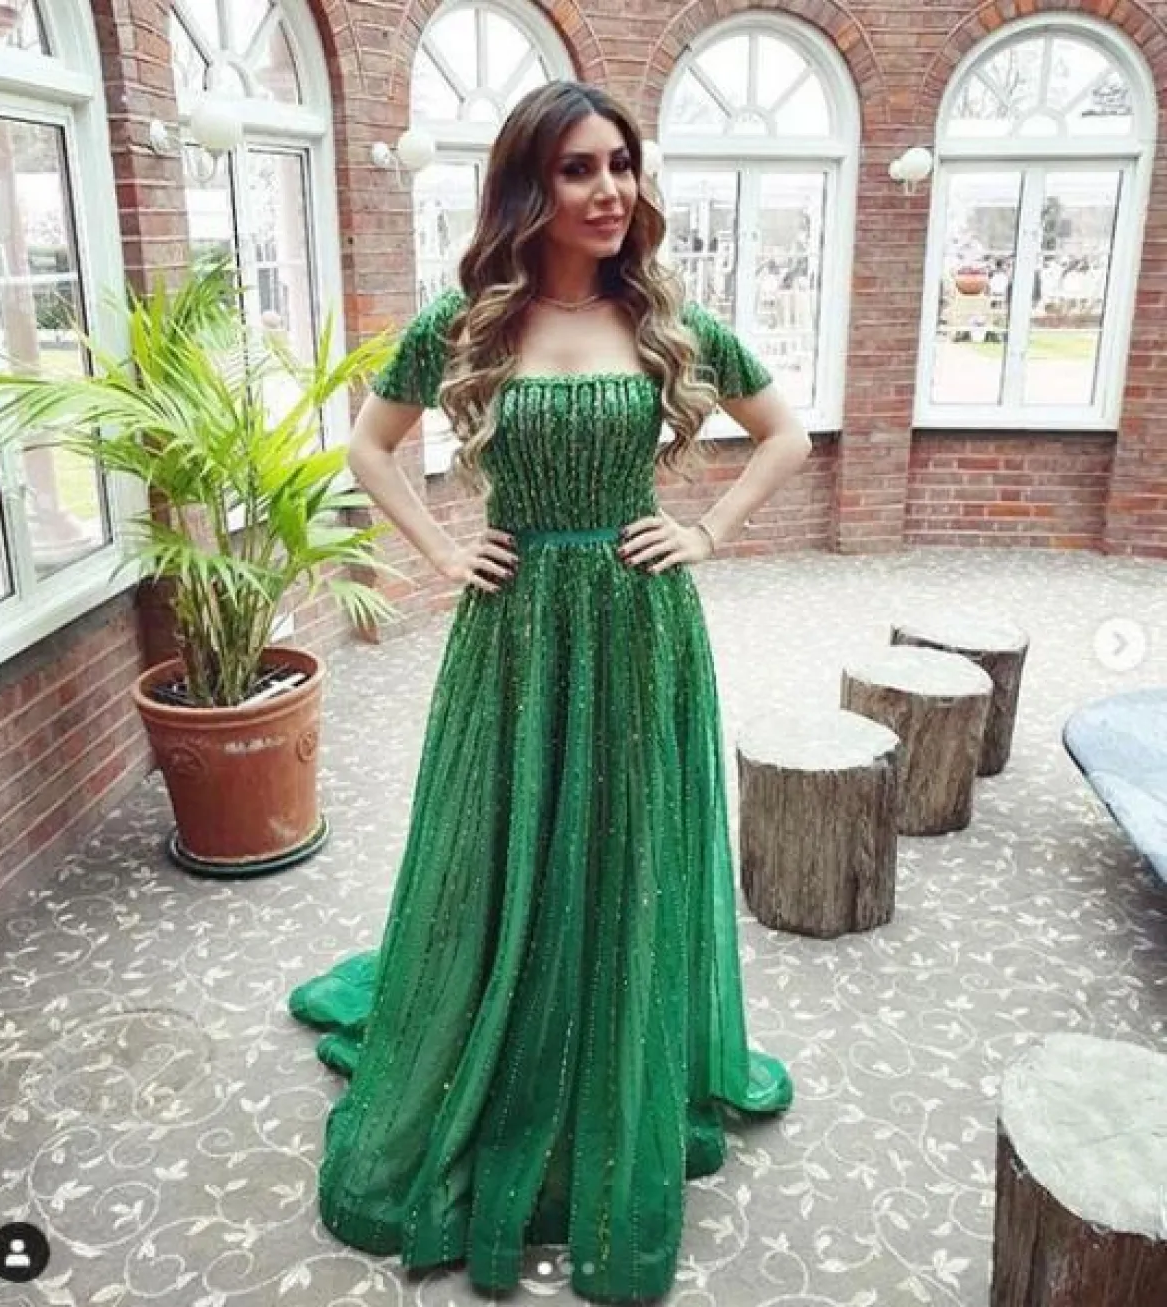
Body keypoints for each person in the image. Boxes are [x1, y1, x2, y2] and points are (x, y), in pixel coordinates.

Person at [287, 79, 812, 1304]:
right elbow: (368, 445)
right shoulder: (469, 321)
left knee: (625, 843)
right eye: (579, 168)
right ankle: (502, 1031)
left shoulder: (666, 318)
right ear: (530, 184)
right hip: (514, 629)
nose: (610, 189)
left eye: (621, 164)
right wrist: (439, 549)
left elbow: (782, 432)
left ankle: (612, 1055)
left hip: (638, 624)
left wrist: (707, 529)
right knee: (504, 836)